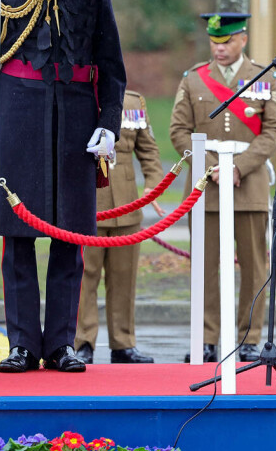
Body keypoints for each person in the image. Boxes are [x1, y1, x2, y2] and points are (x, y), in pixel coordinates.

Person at [0, 0, 126, 374]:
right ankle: (20, 343)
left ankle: (59, 343)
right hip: (17, 117)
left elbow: (111, 64)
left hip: (76, 117)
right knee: (17, 238)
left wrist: (108, 124)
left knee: (69, 237)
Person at [170, 12, 276, 363]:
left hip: (249, 184)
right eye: (215, 42)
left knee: (254, 265)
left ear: (242, 39)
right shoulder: (193, 79)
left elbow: (273, 131)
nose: (219, 49)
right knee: (204, 266)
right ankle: (205, 337)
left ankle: (250, 338)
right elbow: (178, 131)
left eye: (227, 41)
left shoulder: (265, 77)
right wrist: (212, 168)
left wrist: (240, 167)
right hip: (207, 185)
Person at [74, 89, 164, 365]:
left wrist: (153, 181)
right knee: (83, 279)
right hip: (87, 204)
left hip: (127, 206)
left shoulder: (134, 102)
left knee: (124, 279)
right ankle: (82, 343)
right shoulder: (77, 96)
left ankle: (123, 344)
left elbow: (148, 149)